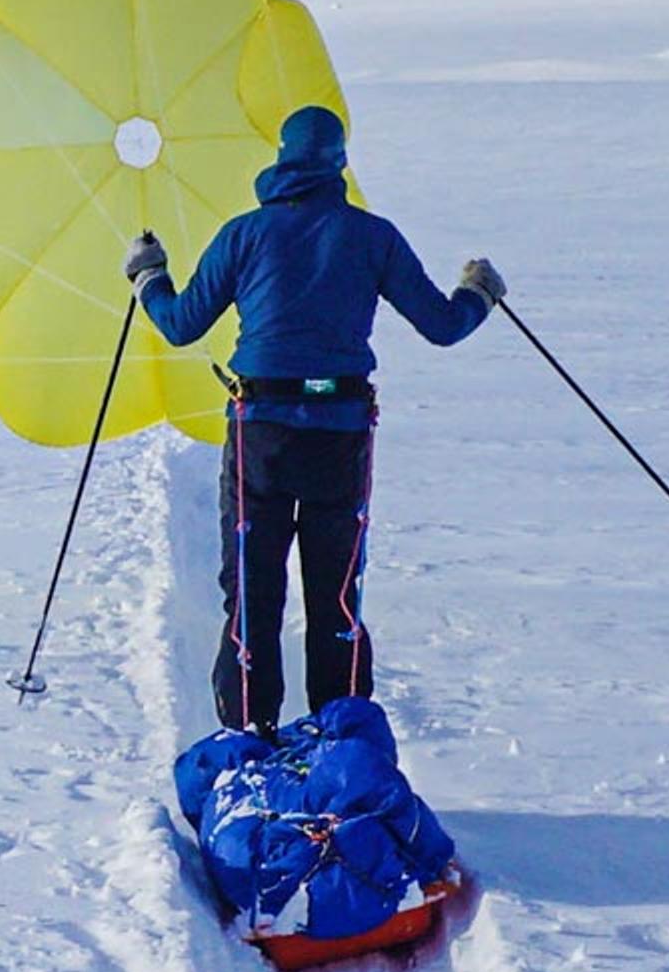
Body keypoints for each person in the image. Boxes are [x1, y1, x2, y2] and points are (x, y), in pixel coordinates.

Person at [125, 105, 501, 730]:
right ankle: (344, 738)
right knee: (335, 597)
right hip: (342, 434)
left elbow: (181, 323)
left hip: (261, 433)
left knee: (252, 593)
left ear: (281, 157)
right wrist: (479, 292)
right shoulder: (372, 236)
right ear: (339, 163)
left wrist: (148, 276)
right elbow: (442, 325)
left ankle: (249, 738)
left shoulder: (244, 234)